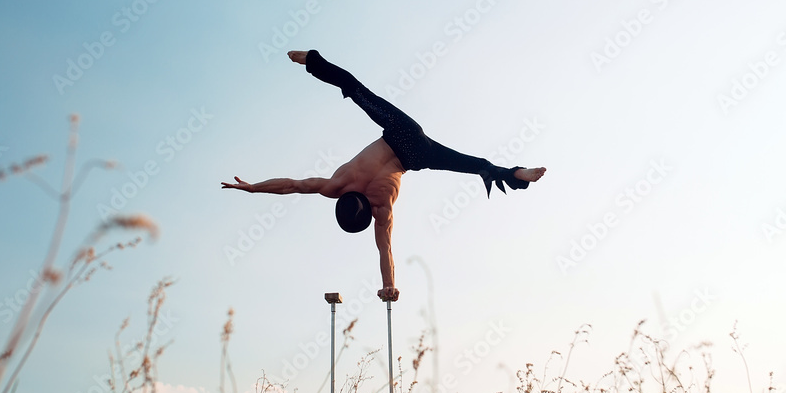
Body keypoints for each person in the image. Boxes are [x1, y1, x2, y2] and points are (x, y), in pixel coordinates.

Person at [222, 50, 545, 302]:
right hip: (402, 134)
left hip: (417, 154)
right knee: (357, 91)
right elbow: (293, 185)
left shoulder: (381, 209)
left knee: (469, 164)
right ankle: (312, 60)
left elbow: (384, 250)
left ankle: (517, 174)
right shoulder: (336, 186)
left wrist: (389, 285)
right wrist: (254, 188)